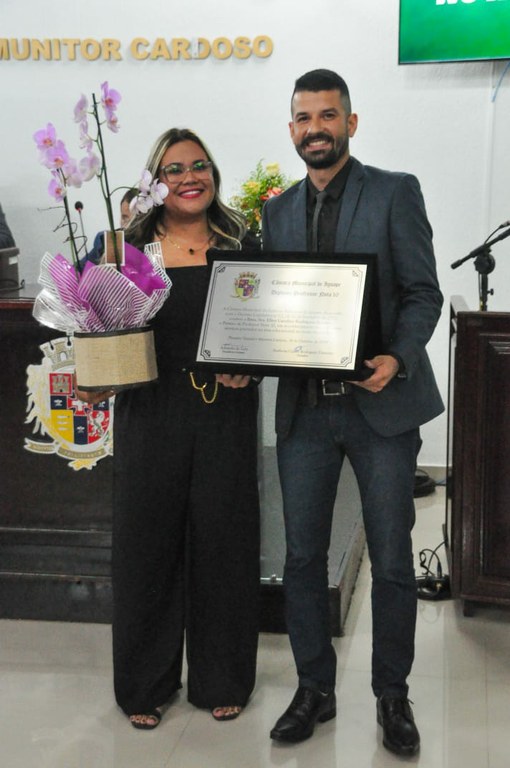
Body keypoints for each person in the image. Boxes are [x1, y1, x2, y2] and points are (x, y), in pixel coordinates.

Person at [261, 69, 444, 756]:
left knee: (392, 559)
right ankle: (315, 688)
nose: (316, 128)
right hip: (306, 414)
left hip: (382, 410)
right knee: (303, 558)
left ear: (351, 122)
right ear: (292, 129)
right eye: (304, 118)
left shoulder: (395, 192)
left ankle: (392, 695)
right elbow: (274, 308)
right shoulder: (277, 212)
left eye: (328, 115)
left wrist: (397, 356)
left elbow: (424, 293)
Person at [78, 128, 260, 729]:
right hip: (150, 411)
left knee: (224, 545)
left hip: (224, 413)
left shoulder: (241, 243)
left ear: (213, 175)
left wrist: (252, 368)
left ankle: (222, 679)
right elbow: (90, 323)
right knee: (146, 548)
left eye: (200, 165)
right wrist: (95, 372)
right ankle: (144, 685)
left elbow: (266, 327)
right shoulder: (124, 250)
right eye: (174, 169)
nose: (190, 177)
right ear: (154, 182)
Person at [83, 188, 137, 264]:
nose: (128, 225)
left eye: (134, 221)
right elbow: (78, 268)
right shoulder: (103, 241)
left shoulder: (150, 251)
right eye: (124, 217)